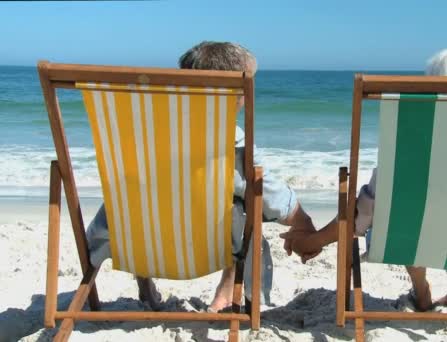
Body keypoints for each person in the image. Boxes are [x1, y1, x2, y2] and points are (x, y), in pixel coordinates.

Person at [281, 42, 447, 311]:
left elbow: (361, 214)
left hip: (412, 243)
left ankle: (421, 288)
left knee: (407, 213)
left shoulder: (412, 147)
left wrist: (310, 241)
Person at [86, 41, 317, 312]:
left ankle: (144, 280)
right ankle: (229, 289)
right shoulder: (228, 142)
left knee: (141, 195)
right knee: (244, 209)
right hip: (204, 244)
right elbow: (268, 195)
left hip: (127, 235)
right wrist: (304, 223)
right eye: (247, 87)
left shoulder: (143, 133)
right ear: (231, 94)